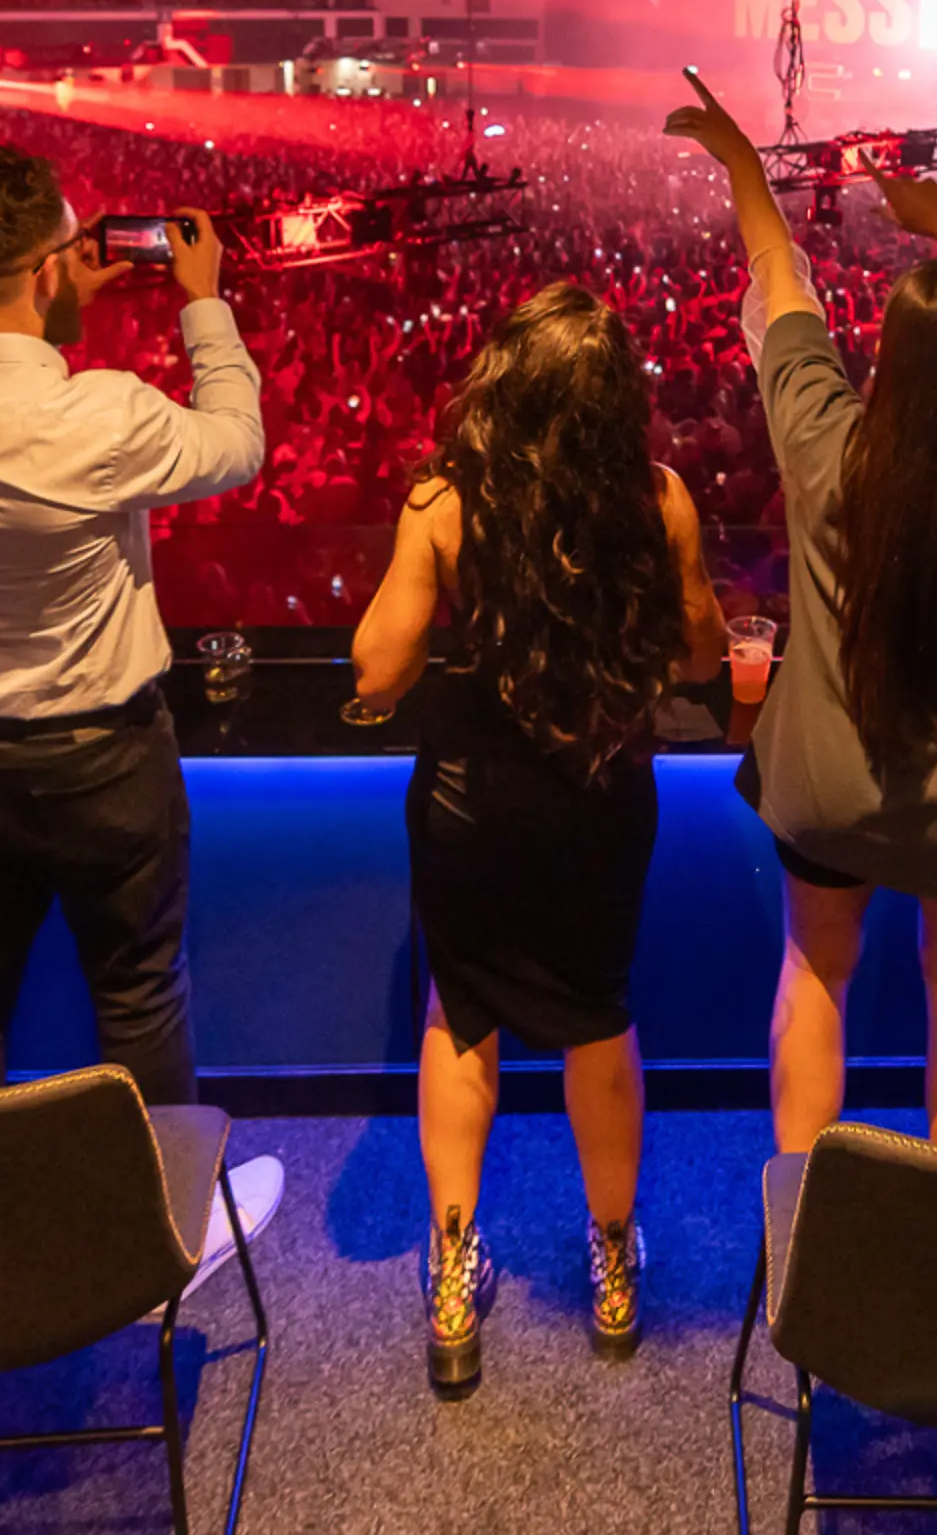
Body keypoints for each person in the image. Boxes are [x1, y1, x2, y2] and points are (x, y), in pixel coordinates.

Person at [0, 147, 281, 1252]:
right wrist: (204, 304)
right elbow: (237, 442)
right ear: (45, 271)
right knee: (136, 995)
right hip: (99, 756)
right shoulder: (100, 413)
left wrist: (41, 307)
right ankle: (166, 1229)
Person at [668, 85, 937, 1154]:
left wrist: (744, 165)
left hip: (827, 784)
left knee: (815, 970)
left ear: (884, 361)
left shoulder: (826, 443)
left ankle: (804, 1227)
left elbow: (781, 284)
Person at [347, 282, 726, 1396]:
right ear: (615, 400)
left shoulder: (445, 500)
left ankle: (455, 1275)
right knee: (597, 1019)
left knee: (460, 1017)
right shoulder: (658, 498)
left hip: (471, 802)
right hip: (600, 795)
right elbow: (702, 657)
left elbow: (378, 669)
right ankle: (612, 1271)